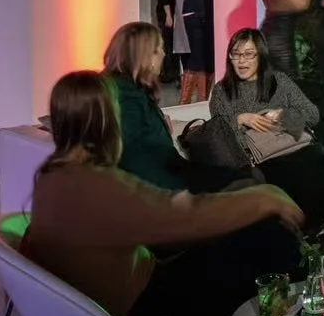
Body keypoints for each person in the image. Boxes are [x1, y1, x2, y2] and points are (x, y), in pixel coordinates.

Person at [20, 70, 317, 316]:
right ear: (106, 120)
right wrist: (266, 198)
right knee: (270, 238)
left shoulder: (52, 177)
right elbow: (186, 217)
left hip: (122, 309)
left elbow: (170, 216)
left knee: (256, 237)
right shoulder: (98, 186)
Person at [208, 28, 324, 256]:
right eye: (236, 54)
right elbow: (218, 132)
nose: (241, 60)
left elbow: (312, 114)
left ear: (261, 55)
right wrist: (241, 118)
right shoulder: (222, 92)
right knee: (305, 180)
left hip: (303, 148)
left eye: (249, 54)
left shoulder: (280, 82)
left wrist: (281, 115)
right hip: (269, 160)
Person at [101, 21, 236, 195]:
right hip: (161, 187)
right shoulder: (126, 96)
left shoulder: (131, 89)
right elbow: (135, 158)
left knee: (245, 179)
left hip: (168, 175)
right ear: (146, 56)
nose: (164, 54)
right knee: (245, 184)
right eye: (160, 49)